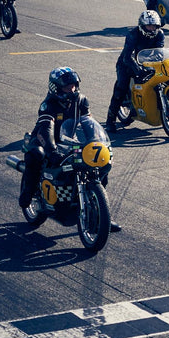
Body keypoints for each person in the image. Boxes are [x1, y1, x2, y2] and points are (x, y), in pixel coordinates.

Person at [21, 67, 121, 232]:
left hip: (69, 141)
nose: (72, 89)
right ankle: (28, 193)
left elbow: (88, 124)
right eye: (67, 86)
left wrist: (96, 141)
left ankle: (101, 214)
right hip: (45, 140)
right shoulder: (48, 104)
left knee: (99, 165)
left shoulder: (81, 100)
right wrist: (52, 151)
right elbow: (45, 129)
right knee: (36, 155)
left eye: (74, 85)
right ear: (56, 87)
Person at [105, 10, 164, 132]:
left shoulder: (160, 34)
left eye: (154, 26)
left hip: (149, 63)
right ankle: (110, 120)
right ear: (142, 26)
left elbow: (160, 52)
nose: (152, 29)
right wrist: (138, 69)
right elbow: (128, 56)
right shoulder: (133, 34)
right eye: (149, 26)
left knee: (166, 80)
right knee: (121, 88)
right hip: (127, 63)